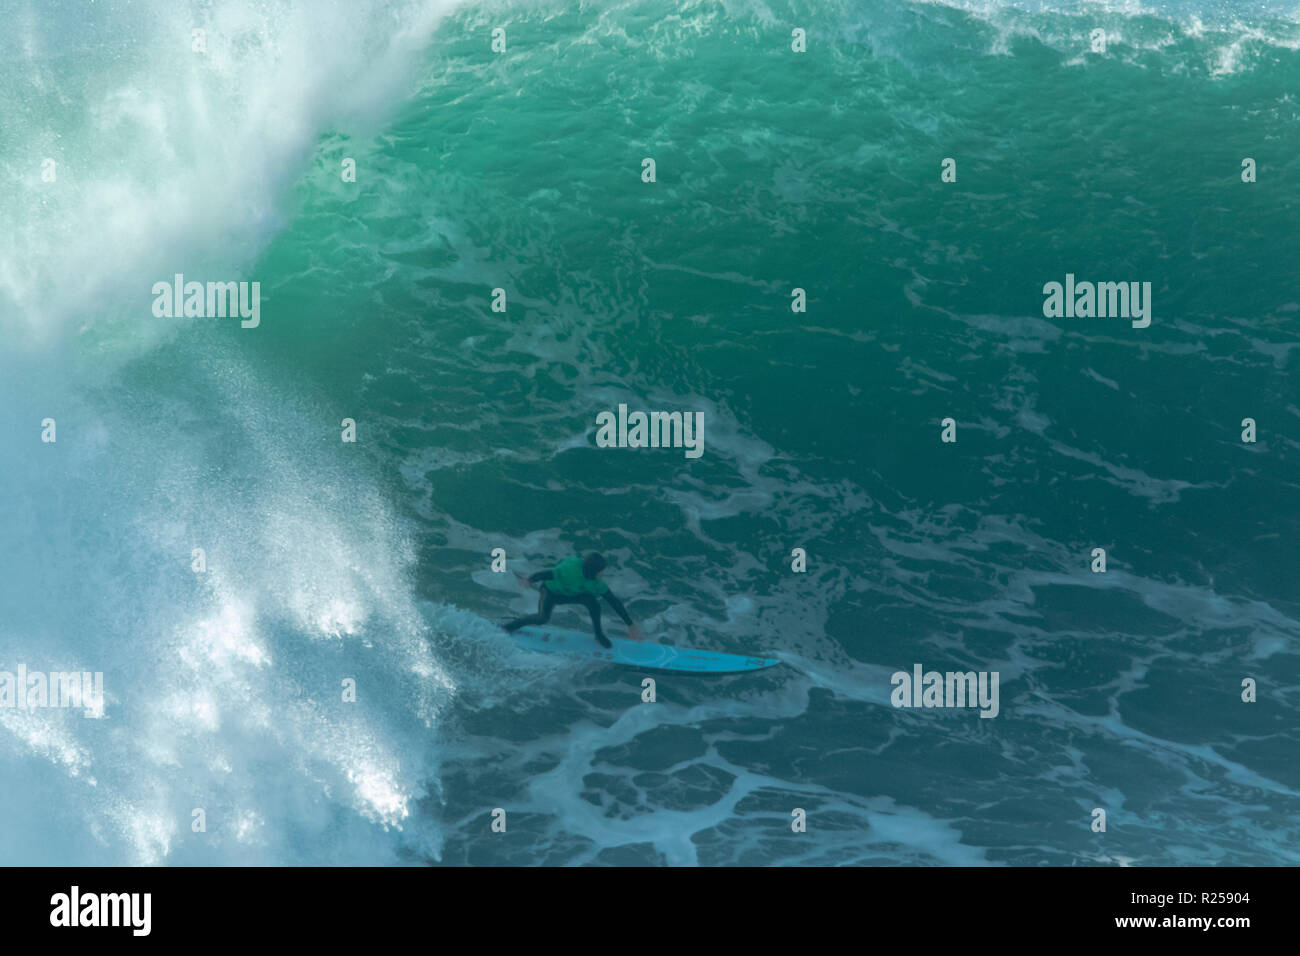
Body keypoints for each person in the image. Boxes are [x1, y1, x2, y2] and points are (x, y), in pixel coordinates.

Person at [503, 552, 641, 649]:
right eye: (601, 570)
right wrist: (529, 580)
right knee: (542, 618)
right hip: (551, 592)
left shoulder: (597, 583)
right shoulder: (571, 567)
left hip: (572, 595)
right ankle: (508, 627)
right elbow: (549, 574)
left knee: (593, 602)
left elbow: (613, 601)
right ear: (592, 571)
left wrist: (630, 624)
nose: (602, 573)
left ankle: (598, 635)